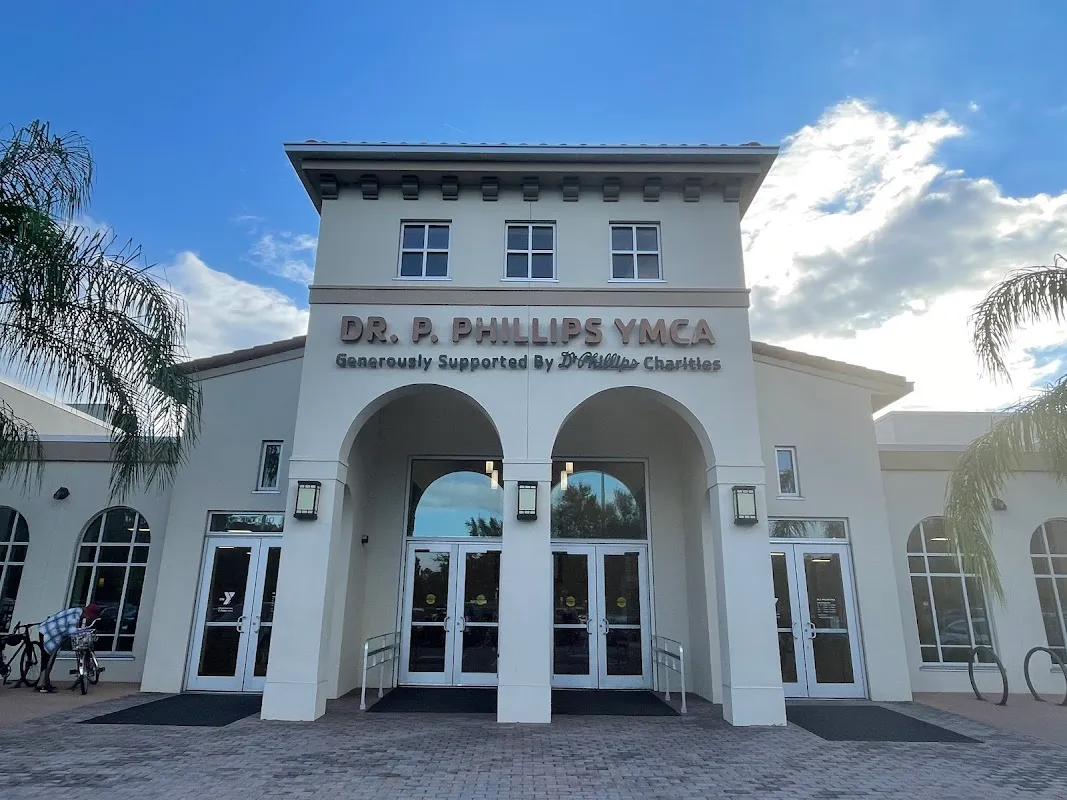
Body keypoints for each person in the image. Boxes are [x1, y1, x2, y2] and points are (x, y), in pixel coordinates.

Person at [36, 603, 101, 693]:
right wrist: (82, 631)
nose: (89, 619)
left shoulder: (77, 611)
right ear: (87, 614)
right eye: (90, 617)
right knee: (47, 659)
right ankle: (41, 685)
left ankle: (45, 681)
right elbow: (72, 632)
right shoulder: (75, 617)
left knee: (50, 658)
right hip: (48, 632)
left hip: (47, 628)